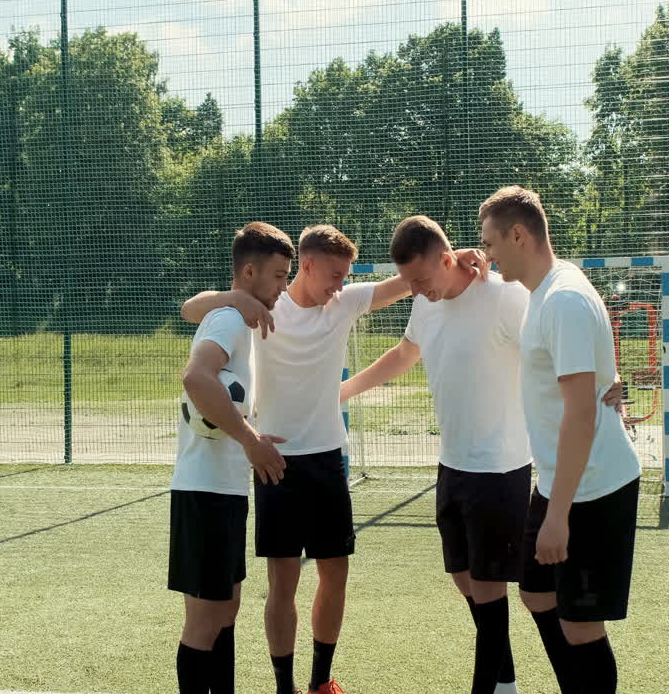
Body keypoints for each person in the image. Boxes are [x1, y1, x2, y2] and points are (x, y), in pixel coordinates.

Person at [181, 224, 486, 694]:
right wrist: (235, 298)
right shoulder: (267, 303)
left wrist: (456, 254)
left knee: (335, 575)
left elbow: (409, 279)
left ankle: (320, 681)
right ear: (306, 266)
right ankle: (284, 686)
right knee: (283, 583)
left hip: (327, 461)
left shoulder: (344, 302)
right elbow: (190, 309)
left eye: (346, 276)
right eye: (335, 275)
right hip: (275, 461)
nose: (341, 284)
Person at [340, 216, 625, 694]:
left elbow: (565, 334)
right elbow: (405, 353)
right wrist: (343, 391)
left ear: (446, 259)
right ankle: (506, 682)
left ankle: (503, 686)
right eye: (409, 282)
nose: (416, 290)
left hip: (500, 469)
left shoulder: (505, 296)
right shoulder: (426, 302)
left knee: (494, 593)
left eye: (421, 279)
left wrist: (607, 377)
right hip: (452, 466)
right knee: (465, 579)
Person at [479, 186, 641, 693]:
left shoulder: (563, 299)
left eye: (490, 244)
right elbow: (587, 379)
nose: (488, 255)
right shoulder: (545, 287)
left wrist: (558, 517)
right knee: (537, 593)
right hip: (558, 481)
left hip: (593, 487)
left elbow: (580, 416)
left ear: (518, 236)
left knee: (580, 624)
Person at [170, 222, 294, 694]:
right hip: (205, 491)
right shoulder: (228, 319)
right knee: (206, 620)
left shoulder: (236, 316)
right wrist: (249, 439)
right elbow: (196, 378)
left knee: (225, 611)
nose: (283, 286)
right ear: (249, 272)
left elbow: (190, 308)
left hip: (220, 489)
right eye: (279, 276)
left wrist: (252, 436)